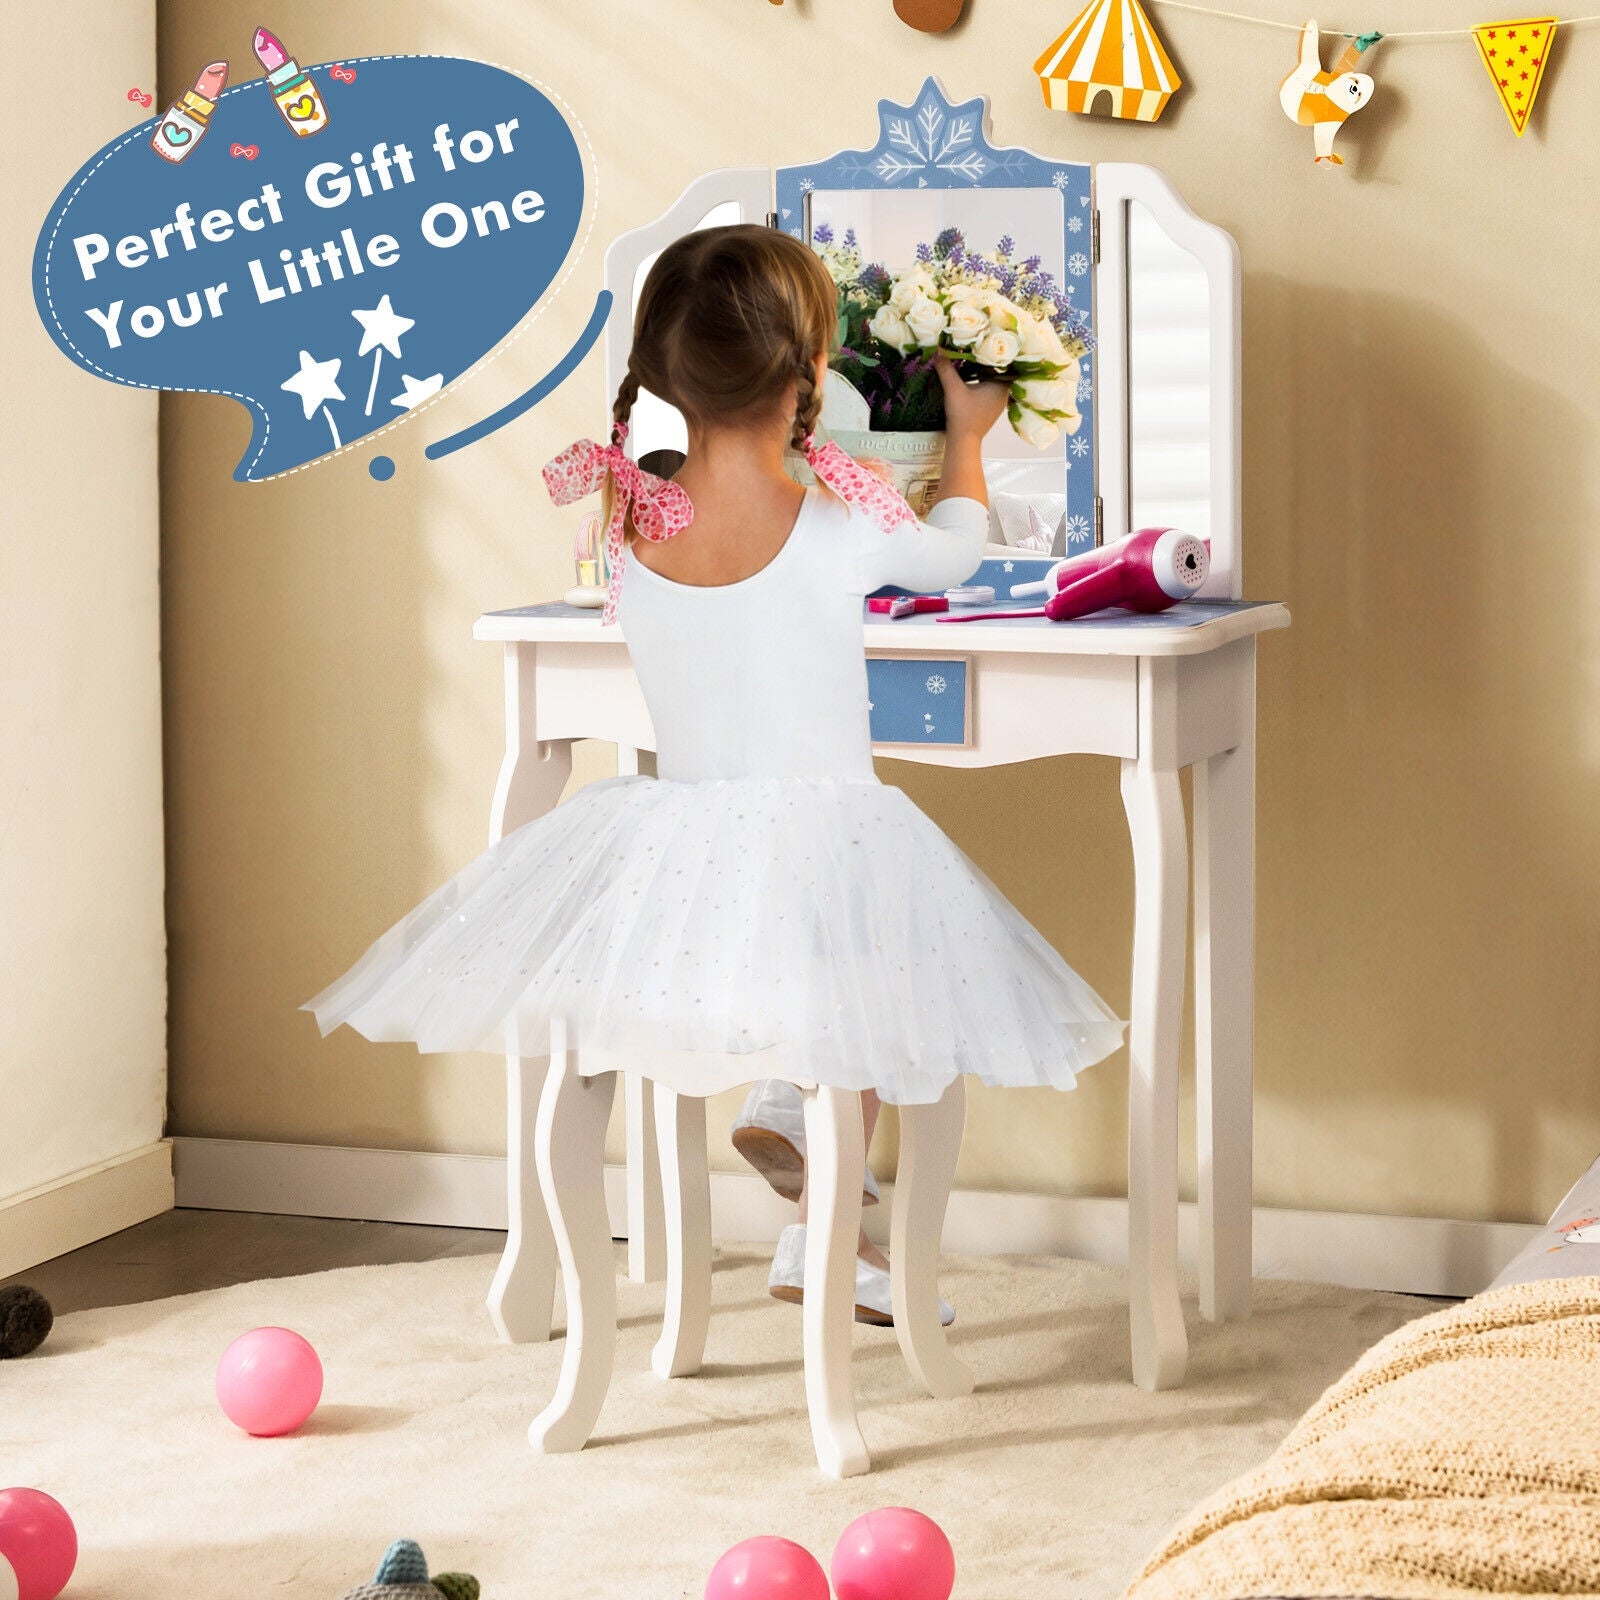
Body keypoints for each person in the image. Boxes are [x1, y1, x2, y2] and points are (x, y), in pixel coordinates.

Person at [307, 223, 1124, 1325]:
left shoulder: (629, 515)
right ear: (811, 373)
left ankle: (799, 1157)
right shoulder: (836, 517)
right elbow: (957, 552)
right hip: (828, 831)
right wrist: (967, 436)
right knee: (873, 973)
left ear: (657, 374)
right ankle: (825, 1217)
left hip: (675, 836)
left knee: (801, 965)